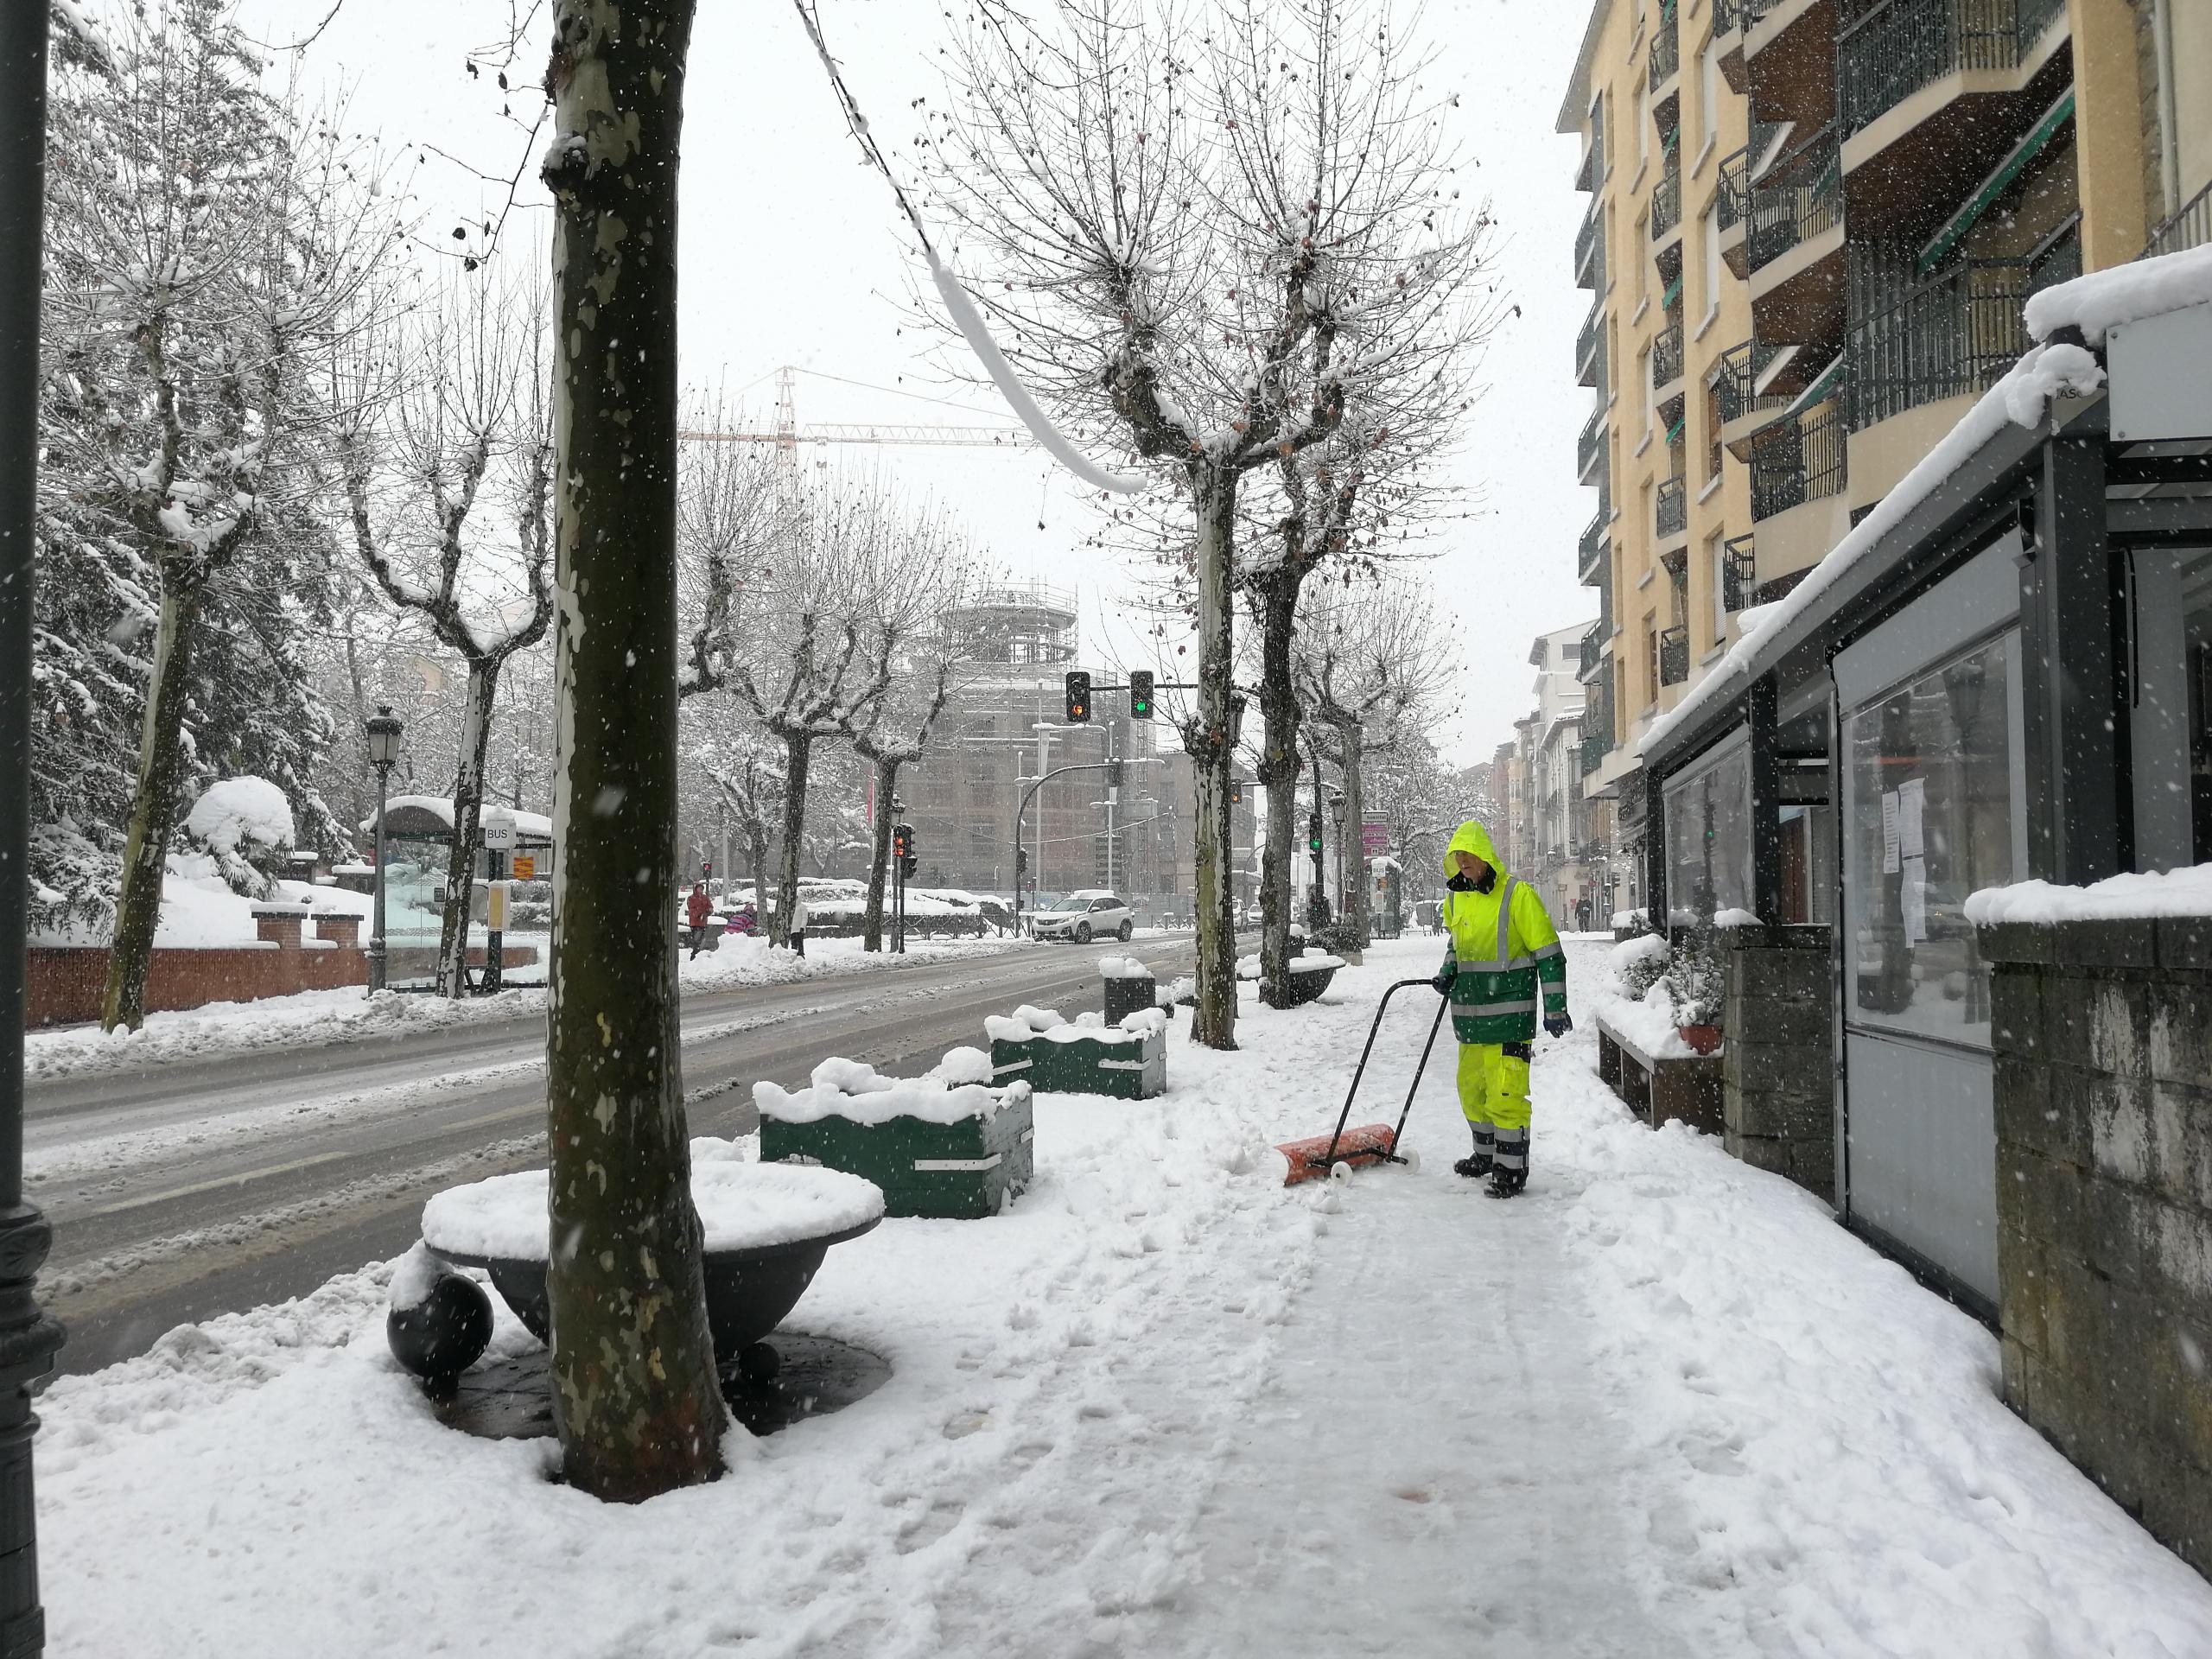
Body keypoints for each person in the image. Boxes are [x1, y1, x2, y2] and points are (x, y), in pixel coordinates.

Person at [1431, 818, 1570, 1198]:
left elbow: (1549, 954)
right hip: (1470, 1023)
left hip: (1508, 1021)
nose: (1462, 862)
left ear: (1485, 856)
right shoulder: (1457, 897)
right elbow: (1456, 947)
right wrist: (1447, 972)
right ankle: (1485, 1156)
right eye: (1456, 855)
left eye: (1468, 855)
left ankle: (1510, 1170)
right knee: (1471, 1091)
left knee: (1505, 1096)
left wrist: (1555, 1007)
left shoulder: (1517, 895)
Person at [684, 881, 712, 959]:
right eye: (699, 888)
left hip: (703, 922)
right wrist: (700, 913)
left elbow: (710, 906)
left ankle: (696, 955)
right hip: (695, 923)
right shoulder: (691, 898)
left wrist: (709, 911)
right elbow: (691, 910)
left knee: (700, 940)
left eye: (702, 888)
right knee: (697, 940)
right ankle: (695, 955)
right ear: (695, 889)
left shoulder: (705, 897)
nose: (701, 890)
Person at [787, 891, 809, 958]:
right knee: (793, 944)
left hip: (799, 930)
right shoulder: (791, 908)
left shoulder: (802, 907)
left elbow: (805, 917)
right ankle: (794, 956)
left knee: (800, 943)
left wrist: (802, 926)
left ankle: (801, 955)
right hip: (793, 930)